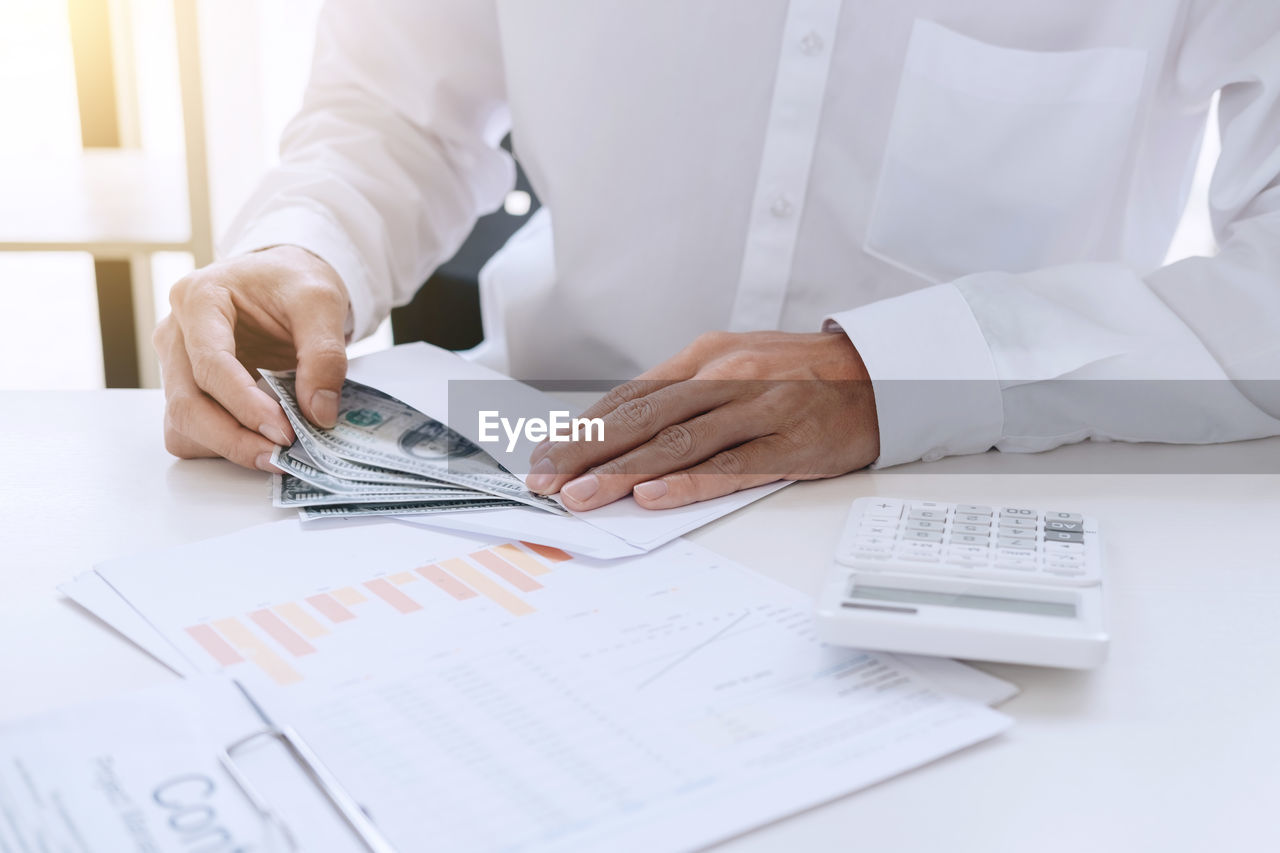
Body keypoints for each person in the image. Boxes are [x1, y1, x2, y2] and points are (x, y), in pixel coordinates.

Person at [155, 1, 1280, 512]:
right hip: (540, 467)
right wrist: (305, 241)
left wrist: (901, 371)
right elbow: (397, 104)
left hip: (988, 491)